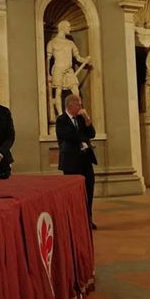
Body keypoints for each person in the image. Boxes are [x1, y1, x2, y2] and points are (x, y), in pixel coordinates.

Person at [55, 94, 98, 229]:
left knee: (88, 189)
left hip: (86, 159)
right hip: (71, 161)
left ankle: (87, 219)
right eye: (78, 105)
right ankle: (73, 221)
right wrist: (83, 136)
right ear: (70, 105)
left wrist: (87, 119)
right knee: (73, 193)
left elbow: (92, 134)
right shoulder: (61, 120)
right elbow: (69, 136)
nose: (81, 107)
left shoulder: (81, 119)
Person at [46, 20, 91, 120]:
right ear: (63, 27)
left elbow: (78, 58)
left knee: (76, 92)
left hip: (69, 71)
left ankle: (78, 113)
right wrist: (48, 74)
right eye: (69, 27)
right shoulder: (52, 43)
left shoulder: (70, 43)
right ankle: (61, 115)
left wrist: (85, 60)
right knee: (58, 93)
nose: (70, 29)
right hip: (58, 70)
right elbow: (48, 60)